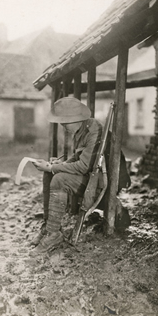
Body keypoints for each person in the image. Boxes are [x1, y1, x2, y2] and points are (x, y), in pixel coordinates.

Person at [29, 97, 103, 255]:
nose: (62, 126)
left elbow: (84, 166)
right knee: (49, 175)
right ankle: (50, 227)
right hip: (89, 176)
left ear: (75, 119)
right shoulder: (80, 130)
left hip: (100, 180)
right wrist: (55, 165)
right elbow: (78, 158)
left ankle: (54, 235)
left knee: (58, 178)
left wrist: (52, 167)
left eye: (64, 122)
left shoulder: (93, 130)